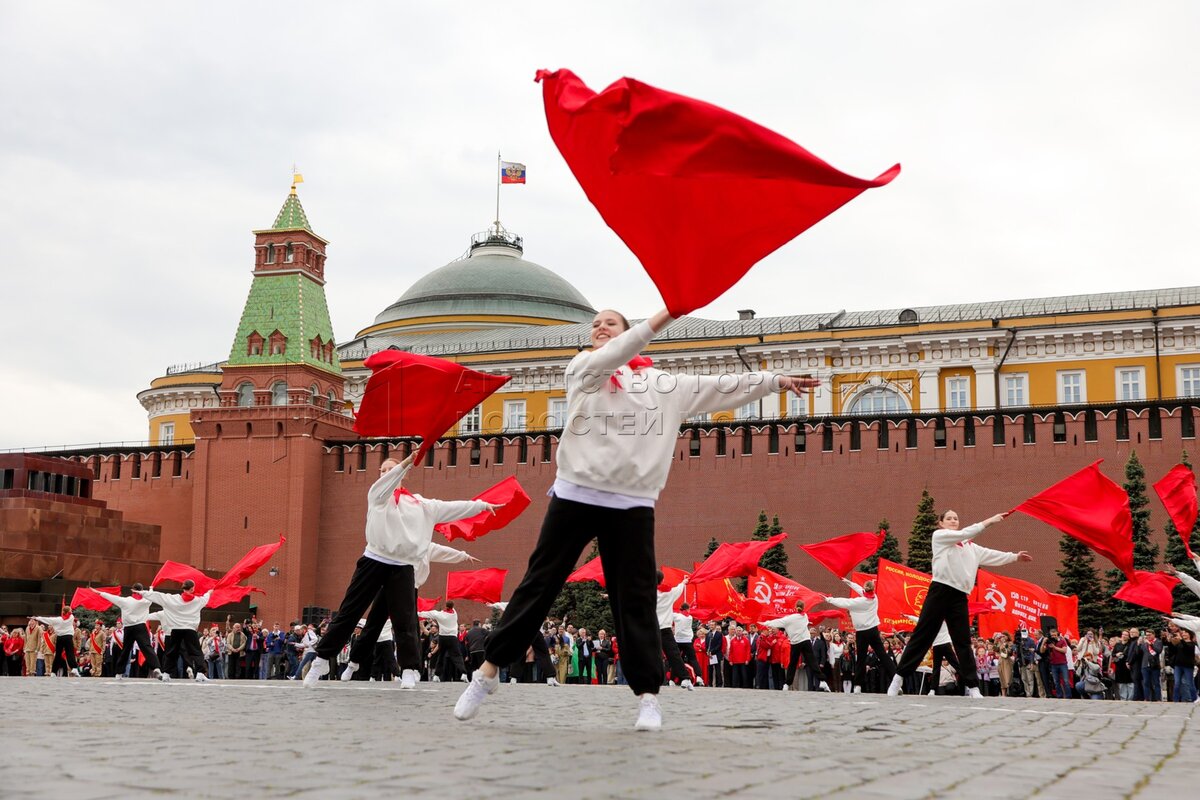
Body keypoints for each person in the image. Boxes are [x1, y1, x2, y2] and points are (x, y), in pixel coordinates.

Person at [455, 306, 818, 730]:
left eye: (610, 323)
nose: (600, 327)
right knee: (540, 583)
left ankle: (648, 697)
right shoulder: (584, 368)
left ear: (627, 331)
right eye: (596, 324)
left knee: (636, 597)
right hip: (576, 494)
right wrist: (663, 316)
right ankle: (487, 673)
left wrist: (774, 381)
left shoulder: (662, 385)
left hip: (631, 503)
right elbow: (615, 354)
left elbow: (720, 387)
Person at [304, 449, 497, 689]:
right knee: (349, 612)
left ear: (404, 475)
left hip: (403, 566)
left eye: (391, 470)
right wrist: (404, 463)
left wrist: (481, 505)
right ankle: (322, 659)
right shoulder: (377, 494)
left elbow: (451, 508)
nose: (386, 474)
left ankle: (408, 669)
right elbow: (386, 484)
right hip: (374, 560)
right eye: (383, 470)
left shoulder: (421, 505)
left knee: (405, 620)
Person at [887, 511, 1031, 698]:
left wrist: (1015, 557)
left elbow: (992, 555)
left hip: (959, 596)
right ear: (941, 523)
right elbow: (964, 533)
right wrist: (989, 520)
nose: (953, 521)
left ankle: (973, 687)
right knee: (922, 636)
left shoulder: (971, 547)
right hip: (939, 591)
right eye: (949, 518)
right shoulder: (940, 537)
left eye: (956, 518)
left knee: (962, 641)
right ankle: (898, 678)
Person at [822, 578, 887, 693]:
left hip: (862, 632)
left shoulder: (860, 602)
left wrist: (829, 599)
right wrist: (848, 582)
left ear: (865, 590)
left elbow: (845, 602)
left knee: (861, 659)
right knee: (883, 655)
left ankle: (857, 686)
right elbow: (860, 589)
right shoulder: (874, 597)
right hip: (873, 630)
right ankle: (897, 681)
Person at [140, 579, 211, 681]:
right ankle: (200, 673)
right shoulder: (197, 600)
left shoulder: (174, 599)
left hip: (176, 629)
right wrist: (209, 592)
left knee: (171, 652)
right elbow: (206, 598)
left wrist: (142, 592)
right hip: (190, 630)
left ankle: (166, 674)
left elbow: (158, 596)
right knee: (196, 651)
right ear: (192, 589)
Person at [96, 585, 169, 681]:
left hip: (128, 628)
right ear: (141, 590)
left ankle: (119, 673)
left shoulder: (125, 601)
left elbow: (111, 597)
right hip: (141, 627)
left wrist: (100, 593)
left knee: (125, 650)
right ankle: (156, 668)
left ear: (132, 590)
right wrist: (151, 588)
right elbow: (150, 595)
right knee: (147, 648)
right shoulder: (146, 601)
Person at [760, 601, 829, 692]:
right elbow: (808, 621)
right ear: (803, 608)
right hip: (806, 641)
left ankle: (787, 684)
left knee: (792, 664)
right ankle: (822, 680)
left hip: (796, 643)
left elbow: (776, 622)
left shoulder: (789, 619)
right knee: (812, 662)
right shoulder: (804, 616)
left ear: (795, 607)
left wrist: (765, 623)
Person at [655, 572, 692, 689]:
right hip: (665, 629)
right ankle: (685, 678)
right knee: (674, 655)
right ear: (662, 580)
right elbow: (680, 588)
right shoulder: (669, 593)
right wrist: (684, 581)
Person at [420, 601, 466, 683]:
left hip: (442, 637)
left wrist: (418, 613)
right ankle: (463, 673)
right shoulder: (454, 614)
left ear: (445, 606)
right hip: (452, 637)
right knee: (457, 656)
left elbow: (428, 613)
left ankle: (436, 675)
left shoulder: (439, 614)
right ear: (452, 607)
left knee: (441, 656)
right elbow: (450, 608)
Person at [31, 608, 81, 677]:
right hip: (68, 637)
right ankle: (74, 668)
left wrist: (37, 618)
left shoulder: (58, 619)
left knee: (58, 655)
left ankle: (53, 672)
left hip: (60, 637)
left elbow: (47, 619)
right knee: (70, 653)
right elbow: (71, 615)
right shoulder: (71, 617)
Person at [673, 605, 702, 687]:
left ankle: (672, 679)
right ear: (687, 609)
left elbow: (670, 614)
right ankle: (698, 676)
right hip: (687, 640)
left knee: (676, 659)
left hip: (678, 640)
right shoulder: (689, 617)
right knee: (693, 659)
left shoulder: (677, 616)